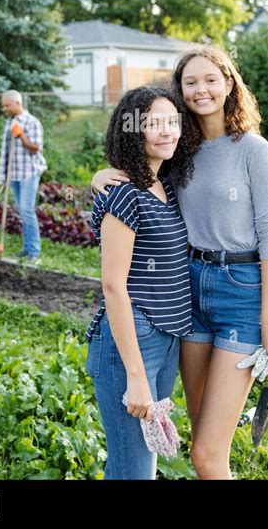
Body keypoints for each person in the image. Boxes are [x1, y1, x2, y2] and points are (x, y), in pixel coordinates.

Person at [91, 44, 268, 480]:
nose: (201, 90)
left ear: (229, 84)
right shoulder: (179, 149)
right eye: (190, 82)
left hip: (241, 289)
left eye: (211, 79)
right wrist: (97, 178)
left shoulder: (253, 149)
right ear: (180, 92)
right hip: (188, 293)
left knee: (206, 455)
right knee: (202, 439)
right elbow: (136, 190)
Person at [85, 85, 195, 480]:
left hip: (166, 337)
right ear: (133, 131)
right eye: (154, 124)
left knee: (138, 463)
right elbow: (113, 286)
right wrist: (135, 374)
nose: (167, 132)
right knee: (134, 470)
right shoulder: (125, 194)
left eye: (173, 122)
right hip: (129, 343)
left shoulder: (164, 183)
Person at [0, 89, 47, 265]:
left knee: (27, 210)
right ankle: (27, 248)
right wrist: (2, 175)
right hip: (14, 173)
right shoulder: (9, 122)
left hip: (29, 172)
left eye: (7, 105)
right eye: (3, 106)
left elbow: (35, 148)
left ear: (17, 103)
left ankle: (34, 252)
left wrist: (21, 135)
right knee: (21, 210)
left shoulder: (32, 122)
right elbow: (5, 151)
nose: (5, 108)